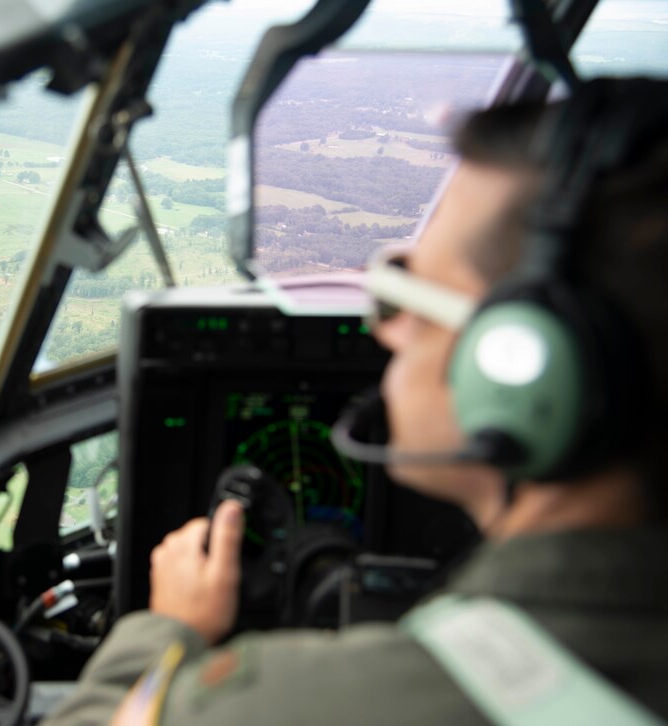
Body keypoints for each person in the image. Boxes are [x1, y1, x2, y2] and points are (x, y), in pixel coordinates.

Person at [42, 78, 668, 725]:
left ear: (521, 366)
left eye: (413, 293)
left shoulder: (295, 705)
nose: (381, 329)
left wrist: (166, 630)